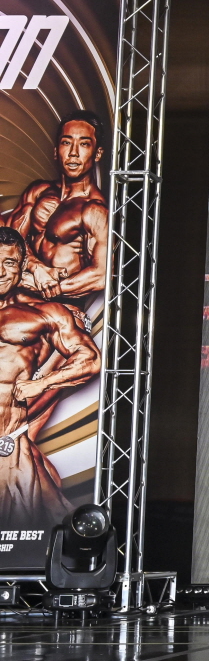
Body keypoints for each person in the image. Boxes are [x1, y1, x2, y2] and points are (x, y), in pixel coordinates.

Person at [0, 227, 99, 529]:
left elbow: (89, 358)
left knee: (28, 538)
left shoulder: (42, 314)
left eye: (9, 263)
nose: (0, 271)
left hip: (6, 448)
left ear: (22, 267)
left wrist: (42, 383)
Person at [7, 111, 109, 303]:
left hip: (62, 304)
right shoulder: (38, 192)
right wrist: (37, 267)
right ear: (56, 151)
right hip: (20, 297)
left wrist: (44, 287)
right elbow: (10, 241)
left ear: (98, 154)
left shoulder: (94, 210)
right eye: (66, 142)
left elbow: (101, 275)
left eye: (84, 144)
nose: (73, 153)